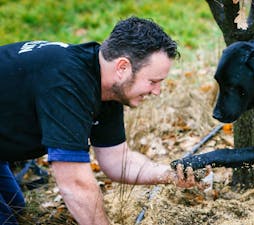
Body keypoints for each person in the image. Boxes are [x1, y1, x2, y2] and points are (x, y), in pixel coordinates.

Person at [0, 16, 199, 225]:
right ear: (123, 67)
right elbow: (75, 184)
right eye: (153, 81)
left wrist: (171, 174)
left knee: (16, 209)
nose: (157, 91)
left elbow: (118, 161)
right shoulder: (67, 83)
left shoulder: (106, 85)